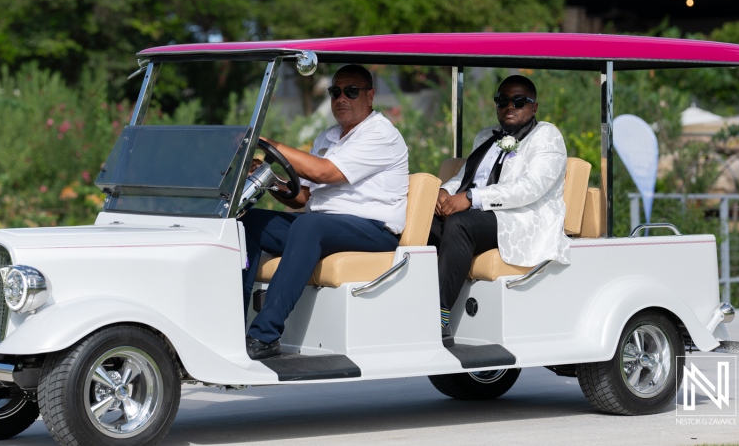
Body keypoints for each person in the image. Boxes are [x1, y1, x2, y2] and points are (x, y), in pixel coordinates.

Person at [240, 64, 409, 360]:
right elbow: (301, 198)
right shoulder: (329, 137)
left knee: (310, 226)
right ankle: (231, 320)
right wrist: (270, 179)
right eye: (335, 92)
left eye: (351, 91)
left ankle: (264, 336)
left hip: (374, 230)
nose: (341, 98)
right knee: (248, 221)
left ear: (370, 96)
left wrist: (265, 141)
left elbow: (324, 173)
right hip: (324, 226)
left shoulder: (380, 133)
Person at [429, 75, 569, 346]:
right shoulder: (486, 135)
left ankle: (440, 315)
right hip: (480, 212)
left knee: (461, 224)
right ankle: (410, 302)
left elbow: (530, 188)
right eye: (502, 100)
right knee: (422, 221)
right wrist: (445, 191)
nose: (509, 106)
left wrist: (471, 198)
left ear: (534, 107)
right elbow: (466, 175)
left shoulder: (547, 136)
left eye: (519, 101)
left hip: (521, 217)